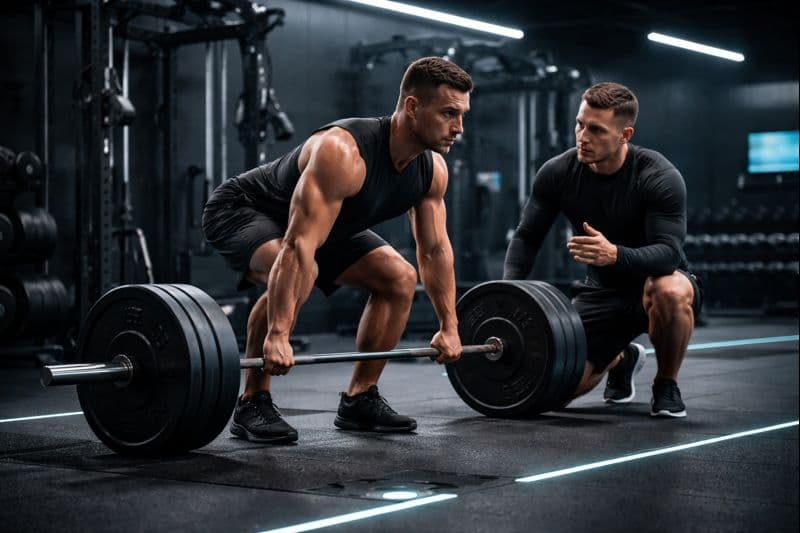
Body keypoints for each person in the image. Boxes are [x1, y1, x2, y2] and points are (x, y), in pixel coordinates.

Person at [202, 57, 472, 443]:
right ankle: (252, 401)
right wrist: (278, 334)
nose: (459, 127)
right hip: (244, 209)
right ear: (413, 107)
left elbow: (433, 250)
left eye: (462, 115)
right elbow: (298, 246)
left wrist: (450, 326)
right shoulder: (343, 152)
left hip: (325, 226)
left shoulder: (432, 170)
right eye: (449, 113)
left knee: (399, 278)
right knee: (302, 268)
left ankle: (360, 399)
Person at [503, 82, 702, 418]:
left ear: (624, 134)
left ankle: (666, 383)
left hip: (655, 280)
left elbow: (668, 254)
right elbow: (527, 237)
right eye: (580, 124)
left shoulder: (657, 175)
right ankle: (622, 358)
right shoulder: (558, 173)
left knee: (668, 290)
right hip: (601, 292)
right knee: (554, 392)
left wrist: (615, 255)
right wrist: (508, 294)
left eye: (596, 129)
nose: (583, 136)